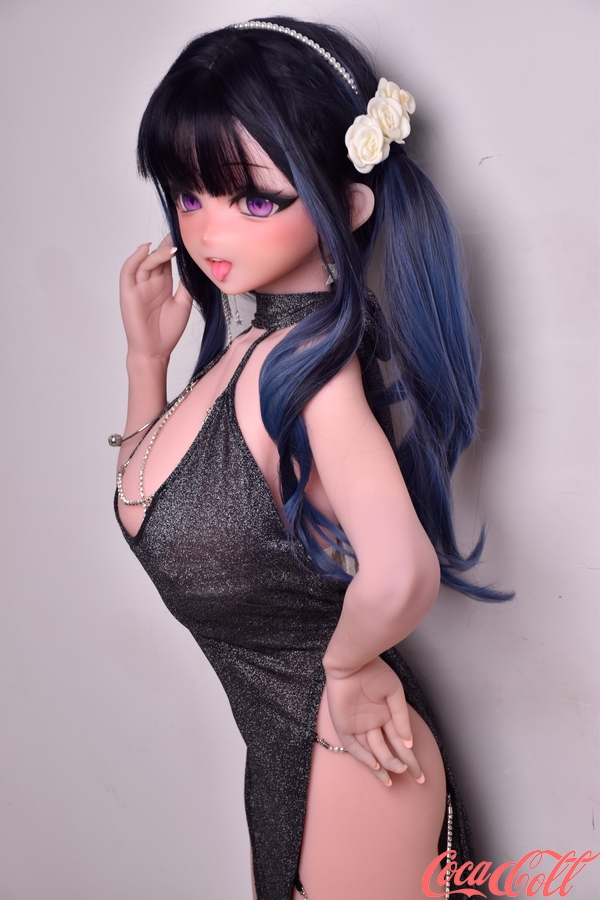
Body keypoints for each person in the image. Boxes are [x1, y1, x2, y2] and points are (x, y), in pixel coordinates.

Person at [111, 16, 510, 900]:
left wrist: (348, 666)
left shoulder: (311, 374)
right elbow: (146, 494)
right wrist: (146, 365)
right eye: (188, 195)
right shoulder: (244, 357)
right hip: (287, 750)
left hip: (351, 751)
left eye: (253, 199)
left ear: (349, 204)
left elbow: (401, 572)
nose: (208, 230)